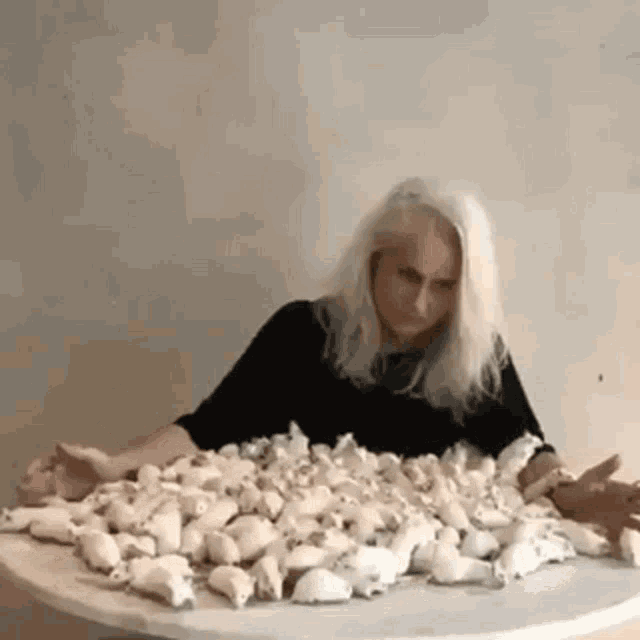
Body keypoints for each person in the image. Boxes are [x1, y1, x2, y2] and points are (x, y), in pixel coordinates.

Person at [14, 178, 630, 535]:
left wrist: (570, 492)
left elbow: (525, 447)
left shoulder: (473, 355)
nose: (421, 302)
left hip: (422, 594)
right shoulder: (302, 333)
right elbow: (209, 427)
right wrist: (120, 466)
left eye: (444, 286)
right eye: (407, 275)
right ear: (373, 263)